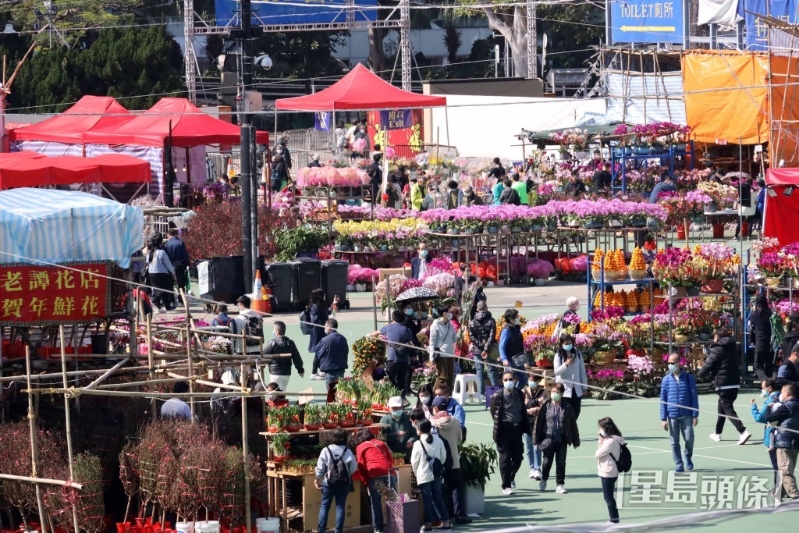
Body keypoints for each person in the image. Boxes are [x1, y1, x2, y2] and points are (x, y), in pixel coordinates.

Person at [697, 327, 752, 444]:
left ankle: (742, 431)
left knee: (728, 409)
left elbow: (709, 364)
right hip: (734, 382)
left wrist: (700, 374)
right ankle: (717, 433)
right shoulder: (732, 348)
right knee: (722, 408)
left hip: (723, 384)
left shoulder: (717, 349)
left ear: (718, 337)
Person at [534, 382, 580, 494]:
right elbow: (538, 423)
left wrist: (575, 440)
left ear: (562, 393)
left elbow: (573, 424)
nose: (554, 394)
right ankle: (544, 479)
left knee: (561, 462)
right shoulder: (546, 405)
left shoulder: (567, 406)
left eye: (557, 392)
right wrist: (536, 440)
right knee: (546, 462)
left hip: (562, 439)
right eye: (553, 392)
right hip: (548, 438)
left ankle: (560, 484)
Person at [430, 397, 471, 524]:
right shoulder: (456, 421)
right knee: (456, 488)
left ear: (435, 408)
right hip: (454, 460)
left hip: (439, 461)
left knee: (443, 489)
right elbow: (459, 439)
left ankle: (447, 515)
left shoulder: (432, 423)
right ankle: (460, 515)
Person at [490, 372, 530, 494]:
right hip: (503, 430)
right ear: (502, 381)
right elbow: (493, 413)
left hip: (517, 429)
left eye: (510, 379)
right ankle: (506, 485)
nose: (508, 382)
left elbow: (523, 410)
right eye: (505, 380)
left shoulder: (519, 393)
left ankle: (510, 476)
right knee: (505, 458)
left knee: (518, 458)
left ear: (515, 379)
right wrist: (501, 424)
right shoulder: (497, 395)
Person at [660, 353, 699, 472]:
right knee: (674, 442)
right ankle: (678, 463)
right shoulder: (666, 380)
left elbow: (694, 396)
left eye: (672, 363)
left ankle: (688, 456)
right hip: (672, 416)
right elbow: (663, 399)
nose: (670, 365)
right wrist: (663, 419)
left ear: (679, 363)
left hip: (686, 414)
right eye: (669, 363)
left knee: (689, 438)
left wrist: (695, 415)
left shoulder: (688, 378)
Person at [410, 420, 451, 532]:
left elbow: (414, 462)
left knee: (427, 499)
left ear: (419, 430)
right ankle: (446, 521)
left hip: (424, 474)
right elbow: (444, 456)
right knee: (438, 497)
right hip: (436, 473)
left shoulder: (418, 443)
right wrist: (437, 466)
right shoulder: (438, 440)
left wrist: (416, 472)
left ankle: (428, 524)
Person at [314, 429, 357, 533]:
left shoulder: (326, 450)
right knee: (340, 507)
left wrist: (317, 479)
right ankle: (338, 531)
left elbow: (320, 468)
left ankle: (321, 530)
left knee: (324, 507)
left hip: (328, 483)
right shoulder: (348, 451)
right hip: (343, 484)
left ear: (332, 437)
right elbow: (353, 469)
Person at [354, 428, 396, 533]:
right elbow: (390, 459)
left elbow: (361, 466)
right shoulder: (381, 443)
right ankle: (395, 526)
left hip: (375, 476)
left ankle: (378, 528)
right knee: (392, 500)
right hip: (389, 473)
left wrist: (366, 482)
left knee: (376, 502)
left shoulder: (360, 447)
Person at [766, 383, 799, 501]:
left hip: (784, 441)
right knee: (787, 469)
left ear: (787, 393)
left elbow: (769, 418)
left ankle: (795, 496)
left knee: (785, 471)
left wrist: (769, 408)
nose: (781, 394)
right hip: (795, 443)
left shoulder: (786, 406)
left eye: (782, 392)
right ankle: (779, 493)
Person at [374, 310, 414, 400]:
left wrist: (371, 335)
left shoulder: (388, 327)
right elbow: (411, 342)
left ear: (393, 318)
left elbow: (375, 333)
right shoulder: (407, 329)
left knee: (390, 380)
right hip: (404, 360)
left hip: (392, 359)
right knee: (401, 380)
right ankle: (402, 398)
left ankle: (391, 398)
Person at [751, 379, 781, 486]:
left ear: (769, 388)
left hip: (773, 436)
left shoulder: (770, 401)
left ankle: (779, 489)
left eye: (763, 388)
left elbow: (760, 418)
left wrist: (753, 406)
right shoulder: (783, 398)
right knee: (784, 465)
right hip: (784, 435)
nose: (762, 390)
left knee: (776, 465)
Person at [595, 417, 625, 525]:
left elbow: (598, 453)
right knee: (609, 496)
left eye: (601, 428)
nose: (600, 430)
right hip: (612, 470)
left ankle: (614, 519)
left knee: (608, 497)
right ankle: (614, 518)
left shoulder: (610, 441)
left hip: (608, 471)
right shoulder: (617, 438)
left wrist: (600, 438)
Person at [553, 334, 588, 420]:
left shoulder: (578, 354)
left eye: (569, 343)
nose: (568, 345)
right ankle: (566, 431)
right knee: (564, 414)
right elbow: (557, 372)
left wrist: (585, 386)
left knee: (576, 411)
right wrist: (566, 364)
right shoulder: (558, 355)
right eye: (565, 343)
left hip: (576, 390)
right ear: (561, 344)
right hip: (564, 390)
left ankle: (572, 430)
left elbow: (582, 370)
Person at [469, 300, 499, 397]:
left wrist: (481, 347)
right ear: (486, 308)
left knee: (479, 371)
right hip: (489, 349)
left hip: (477, 350)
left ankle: (481, 393)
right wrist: (486, 349)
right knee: (492, 371)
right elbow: (492, 336)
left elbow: (472, 337)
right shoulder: (491, 321)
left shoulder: (472, 322)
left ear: (477, 309)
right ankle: (495, 392)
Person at [263, 321, 304, 391]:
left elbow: (264, 355)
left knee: (275, 392)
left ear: (277, 331)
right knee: (282, 391)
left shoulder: (272, 342)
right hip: (287, 373)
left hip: (275, 372)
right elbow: (297, 358)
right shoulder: (291, 343)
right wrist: (300, 369)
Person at [522, 373, 548, 480]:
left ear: (538, 382)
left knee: (537, 446)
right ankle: (532, 468)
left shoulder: (544, 392)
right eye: (529, 380)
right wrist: (526, 410)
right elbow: (520, 405)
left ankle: (537, 469)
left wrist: (537, 409)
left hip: (538, 423)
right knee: (528, 447)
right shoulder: (524, 392)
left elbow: (547, 406)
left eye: (532, 380)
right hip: (527, 423)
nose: (530, 382)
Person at [312, 319, 349, 393]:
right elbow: (346, 351)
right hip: (341, 370)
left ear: (328, 327)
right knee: (340, 392)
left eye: (325, 326)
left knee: (331, 393)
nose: (324, 328)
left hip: (330, 371)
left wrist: (314, 370)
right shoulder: (343, 338)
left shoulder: (325, 340)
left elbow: (317, 353)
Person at [380, 396, 417, 463]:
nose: (396, 410)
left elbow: (415, 434)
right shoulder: (384, 420)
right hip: (391, 455)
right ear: (389, 408)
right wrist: (396, 435)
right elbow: (382, 437)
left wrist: (411, 441)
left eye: (398, 408)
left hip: (407, 455)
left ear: (402, 407)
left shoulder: (408, 418)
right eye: (394, 408)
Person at [146, 233, 177, 312]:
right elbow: (168, 264)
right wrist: (173, 273)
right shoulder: (161, 252)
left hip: (151, 273)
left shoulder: (150, 253)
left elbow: (147, 262)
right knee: (164, 290)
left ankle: (159, 306)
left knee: (156, 289)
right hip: (161, 273)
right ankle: (162, 304)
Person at [307, 288, 333, 378]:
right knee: (318, 351)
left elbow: (328, 312)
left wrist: (334, 304)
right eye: (323, 294)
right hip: (317, 331)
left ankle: (321, 370)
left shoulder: (321, 305)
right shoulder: (315, 306)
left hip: (322, 330)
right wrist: (325, 322)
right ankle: (313, 373)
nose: (325, 296)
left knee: (322, 351)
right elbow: (314, 320)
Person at [429, 304, 457, 389]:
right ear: (444, 313)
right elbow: (432, 342)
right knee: (443, 377)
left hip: (450, 353)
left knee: (450, 378)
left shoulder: (450, 325)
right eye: (449, 312)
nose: (450, 314)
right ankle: (434, 393)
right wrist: (431, 357)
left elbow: (454, 339)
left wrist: (460, 333)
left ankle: (448, 396)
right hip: (441, 354)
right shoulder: (435, 325)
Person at [500, 308, 528, 388]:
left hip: (518, 359)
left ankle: (516, 393)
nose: (518, 318)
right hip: (510, 361)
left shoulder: (516, 328)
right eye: (516, 317)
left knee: (524, 378)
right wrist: (504, 359)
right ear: (511, 319)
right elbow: (501, 346)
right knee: (510, 381)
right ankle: (509, 396)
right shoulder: (506, 331)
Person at [749, 293, 774, 380]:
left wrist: (751, 340)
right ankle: (770, 383)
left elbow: (752, 329)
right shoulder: (771, 313)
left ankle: (765, 381)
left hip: (760, 341)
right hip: (771, 342)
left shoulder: (754, 315)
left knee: (757, 366)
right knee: (769, 365)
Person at [164, 229, 190, 303]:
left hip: (170, 266)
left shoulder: (167, 244)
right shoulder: (180, 242)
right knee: (181, 283)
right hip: (180, 266)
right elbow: (185, 255)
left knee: (170, 283)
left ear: (168, 235)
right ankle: (181, 299)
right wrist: (186, 264)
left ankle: (171, 299)